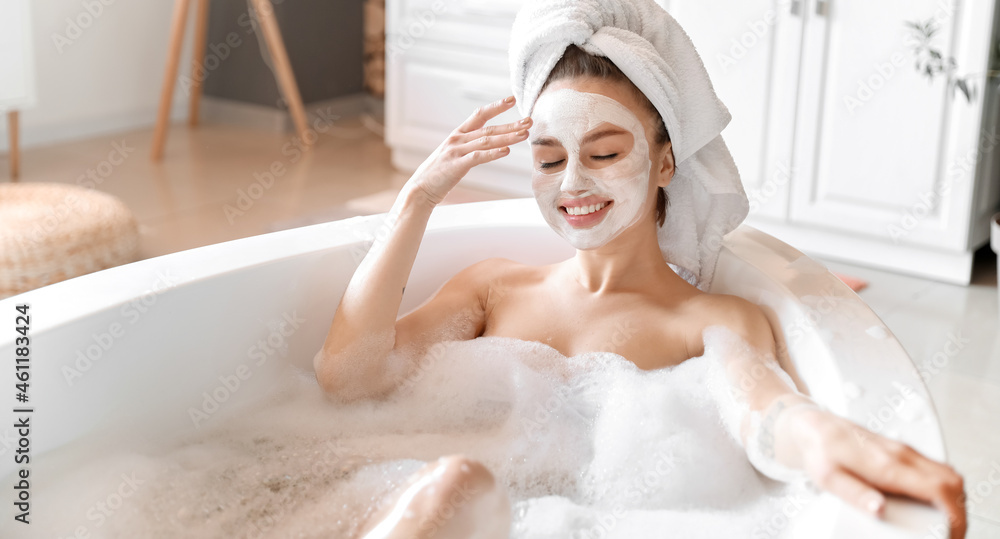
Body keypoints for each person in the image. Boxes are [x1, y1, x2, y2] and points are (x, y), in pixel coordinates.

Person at [313, 48, 966, 539]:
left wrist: (821, 435)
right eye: (547, 159)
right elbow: (348, 376)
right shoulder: (493, 286)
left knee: (459, 482)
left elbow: (762, 409)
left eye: (602, 153)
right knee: (455, 484)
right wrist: (417, 199)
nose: (571, 182)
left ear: (664, 161)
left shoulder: (711, 317)